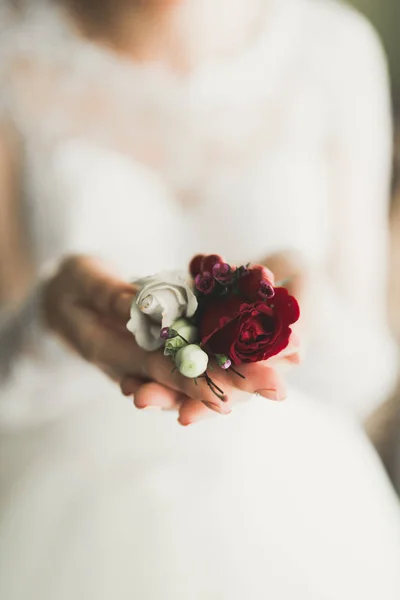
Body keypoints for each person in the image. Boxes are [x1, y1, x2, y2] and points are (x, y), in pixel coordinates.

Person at [0, 0, 399, 598]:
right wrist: (52, 322)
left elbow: (369, 375)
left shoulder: (335, 50)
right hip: (64, 516)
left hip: (309, 517)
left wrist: (312, 321)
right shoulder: (12, 49)